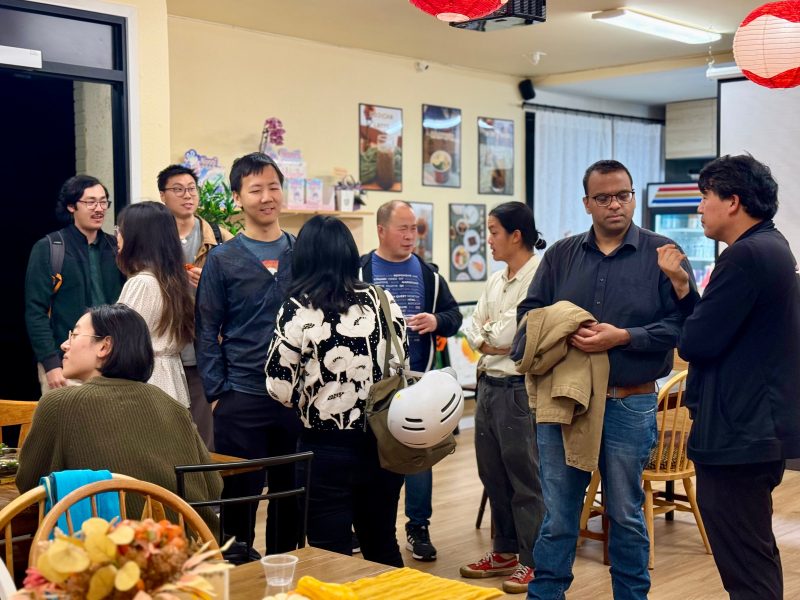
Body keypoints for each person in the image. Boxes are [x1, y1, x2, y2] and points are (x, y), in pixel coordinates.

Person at [518, 160, 692, 600]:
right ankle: (546, 593)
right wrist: (562, 328)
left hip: (629, 401)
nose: (615, 204)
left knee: (626, 514)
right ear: (587, 203)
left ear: (632, 197)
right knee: (559, 514)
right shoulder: (561, 254)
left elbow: (686, 326)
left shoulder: (664, 253)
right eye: (603, 197)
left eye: (623, 195)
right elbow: (529, 316)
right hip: (565, 401)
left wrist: (624, 337)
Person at [656, 154, 800, 600]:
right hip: (755, 429)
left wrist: (683, 302)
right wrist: (684, 288)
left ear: (733, 201)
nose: (699, 207)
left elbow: (696, 342)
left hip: (739, 433)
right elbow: (716, 330)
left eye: (705, 196)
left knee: (745, 563)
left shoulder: (744, 256)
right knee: (754, 551)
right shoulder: (771, 245)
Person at [266, 215, 408, 567]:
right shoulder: (382, 299)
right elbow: (401, 359)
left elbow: (279, 387)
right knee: (382, 543)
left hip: (324, 448)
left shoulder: (297, 308)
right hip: (383, 441)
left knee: (330, 555)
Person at [16, 303, 222, 533]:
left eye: (74, 335)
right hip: (191, 546)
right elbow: (213, 486)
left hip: (111, 550)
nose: (64, 344)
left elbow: (29, 487)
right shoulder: (173, 406)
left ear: (104, 346)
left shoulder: (59, 404)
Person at [195, 152, 299, 558]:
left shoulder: (300, 252)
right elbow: (206, 329)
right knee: (240, 496)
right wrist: (218, 393)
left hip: (295, 398)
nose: (267, 197)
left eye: (273, 187)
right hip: (240, 395)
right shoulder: (223, 259)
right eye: (256, 190)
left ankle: (284, 568)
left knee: (291, 494)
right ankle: (238, 570)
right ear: (238, 198)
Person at [359, 200, 462, 562]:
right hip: (372, 386)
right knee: (371, 460)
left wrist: (436, 321)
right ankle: (369, 528)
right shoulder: (361, 270)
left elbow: (453, 316)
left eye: (414, 228)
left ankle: (418, 527)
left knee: (420, 457)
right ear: (381, 230)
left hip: (418, 382)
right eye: (402, 228)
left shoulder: (429, 274)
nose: (410, 236)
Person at [461, 202, 546, 594]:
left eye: (494, 232)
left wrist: (489, 336)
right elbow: (472, 328)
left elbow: (509, 336)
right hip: (488, 385)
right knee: (492, 474)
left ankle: (533, 560)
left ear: (516, 235)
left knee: (524, 478)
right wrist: (489, 338)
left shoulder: (539, 277)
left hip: (518, 390)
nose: (489, 240)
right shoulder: (496, 279)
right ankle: (505, 551)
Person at [24, 175, 124, 395]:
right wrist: (51, 364)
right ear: (71, 206)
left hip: (111, 361)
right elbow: (35, 312)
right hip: (65, 363)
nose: (99, 209)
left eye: (103, 202)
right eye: (90, 202)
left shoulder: (115, 248)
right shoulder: (50, 248)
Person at [158, 164, 233, 449]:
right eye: (178, 189)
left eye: (191, 189)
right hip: (166, 347)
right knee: (167, 432)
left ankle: (204, 476)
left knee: (205, 433)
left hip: (206, 347)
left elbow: (238, 289)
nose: (187, 195)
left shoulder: (219, 237)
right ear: (163, 196)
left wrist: (212, 282)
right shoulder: (155, 239)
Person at [116, 201, 194, 407]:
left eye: (121, 230)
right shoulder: (172, 280)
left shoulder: (141, 283)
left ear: (137, 238)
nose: (117, 237)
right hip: (170, 379)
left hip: (145, 382)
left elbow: (123, 341)